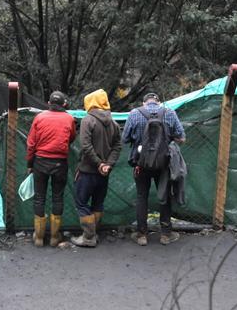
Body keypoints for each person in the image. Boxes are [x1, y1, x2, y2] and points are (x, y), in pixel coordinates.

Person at [122, 91, 186, 246]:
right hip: (163, 164)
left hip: (141, 163)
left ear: (144, 103)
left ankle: (142, 235)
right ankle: (165, 234)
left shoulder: (134, 114)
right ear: (158, 102)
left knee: (141, 196)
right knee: (164, 195)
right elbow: (182, 138)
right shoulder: (169, 113)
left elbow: (124, 138)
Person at [71, 89, 122, 248]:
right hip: (104, 173)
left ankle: (88, 237)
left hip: (87, 171)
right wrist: (108, 165)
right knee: (98, 203)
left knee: (81, 203)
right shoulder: (113, 123)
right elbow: (118, 146)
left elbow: (85, 146)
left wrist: (98, 163)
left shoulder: (88, 120)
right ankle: (94, 233)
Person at [26, 91, 76, 247]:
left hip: (40, 162)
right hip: (60, 163)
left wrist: (29, 164)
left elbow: (31, 144)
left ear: (48, 103)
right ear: (64, 104)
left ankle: (39, 237)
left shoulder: (39, 118)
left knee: (39, 197)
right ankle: (55, 237)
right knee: (57, 197)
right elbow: (72, 137)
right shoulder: (69, 118)